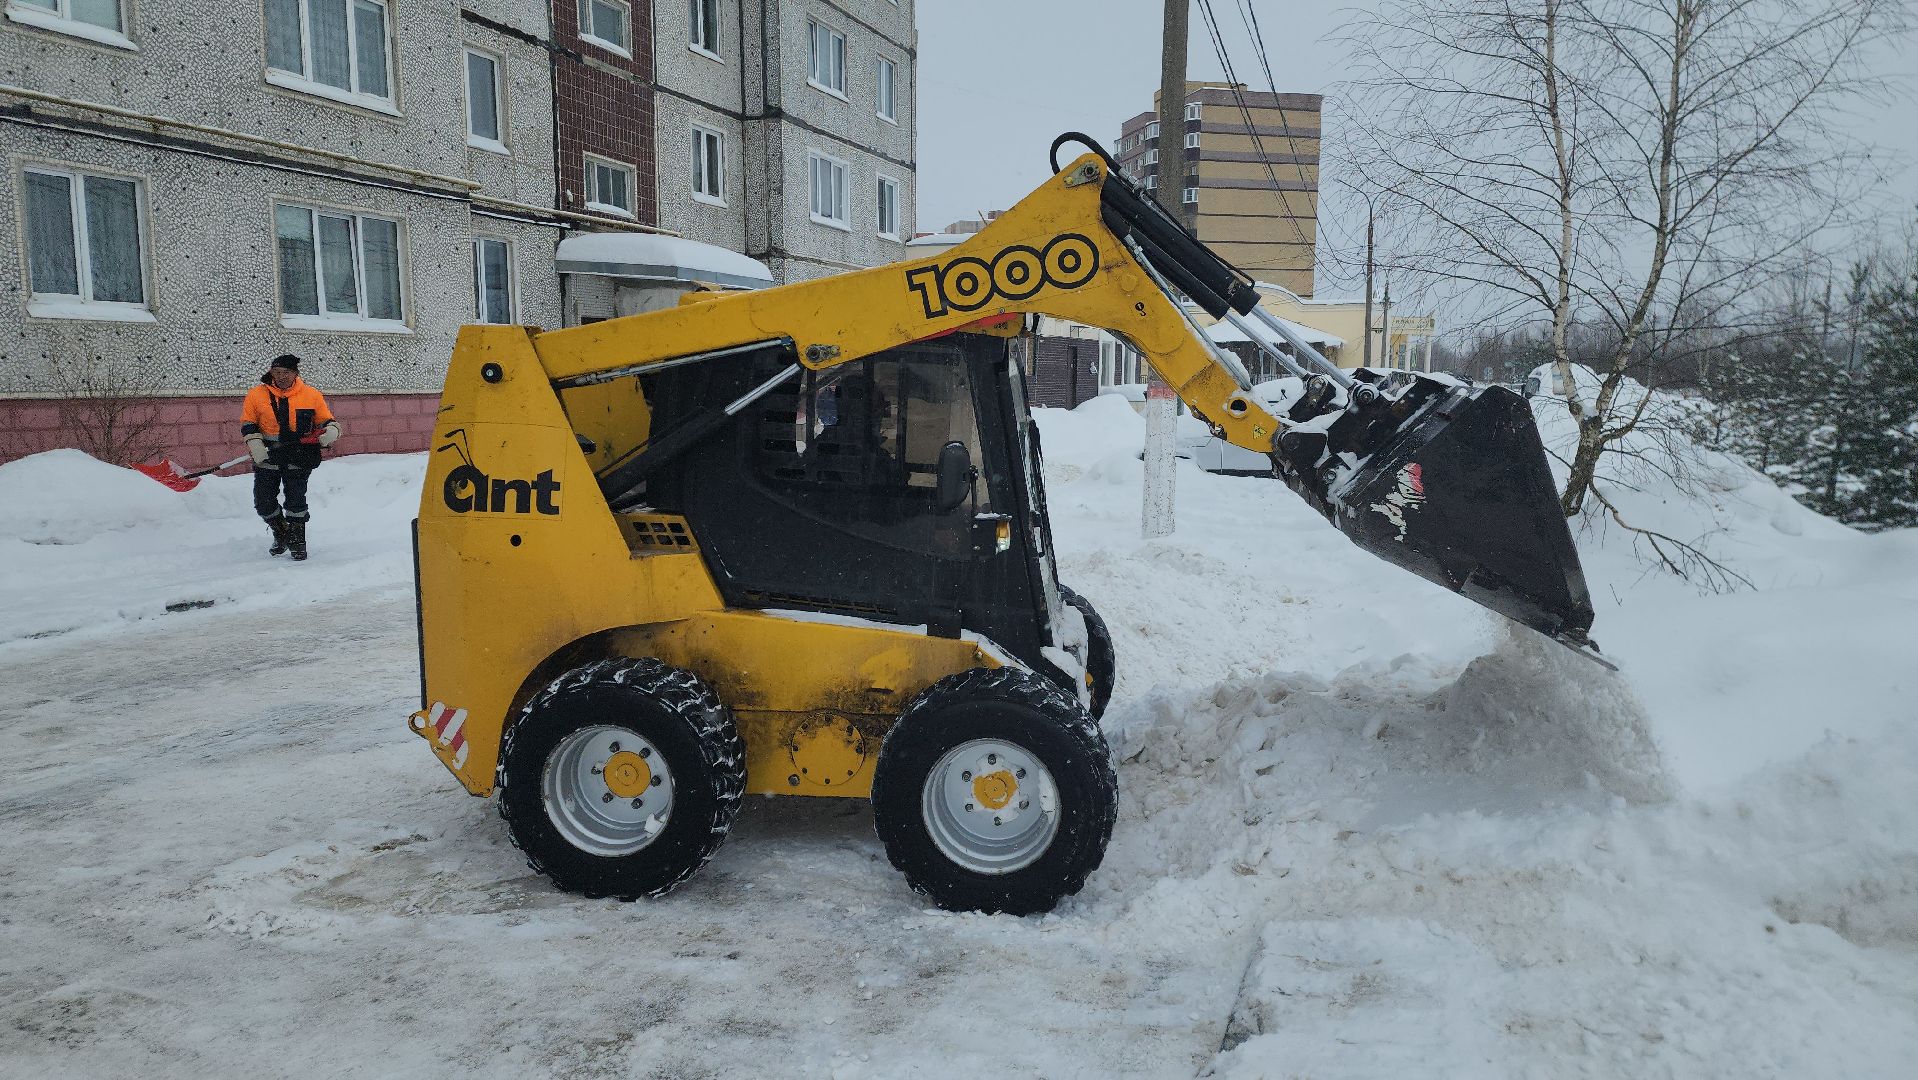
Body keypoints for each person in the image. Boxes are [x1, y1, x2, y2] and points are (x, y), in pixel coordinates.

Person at [240, 354, 341, 561]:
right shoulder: (256, 395)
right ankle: (281, 531)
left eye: (286, 372)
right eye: (277, 372)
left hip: (299, 455)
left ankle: (297, 540)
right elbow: (248, 423)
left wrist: (332, 430)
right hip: (268, 455)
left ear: (295, 373)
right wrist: (255, 443)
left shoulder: (311, 395)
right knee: (263, 502)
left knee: (296, 500)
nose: (281, 377)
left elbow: (326, 421)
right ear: (271, 373)